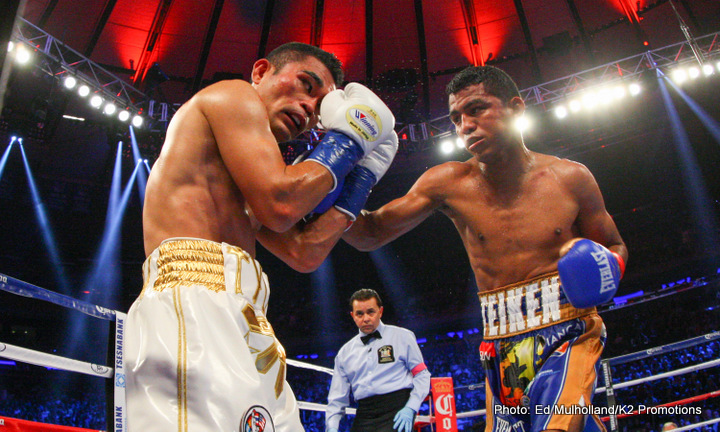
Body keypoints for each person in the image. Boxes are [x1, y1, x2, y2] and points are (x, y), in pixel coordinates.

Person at [337, 66, 629, 432]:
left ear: (516, 108)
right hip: (499, 342)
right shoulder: (448, 182)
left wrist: (605, 268)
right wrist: (336, 183)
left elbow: (614, 245)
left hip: (568, 329)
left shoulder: (570, 178)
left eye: (477, 109)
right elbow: (370, 233)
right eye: (457, 118)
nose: (464, 126)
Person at [125, 42, 398, 432]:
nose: (309, 109)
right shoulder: (233, 95)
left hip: (246, 313)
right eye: (305, 85)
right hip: (192, 299)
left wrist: (363, 176)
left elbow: (305, 252)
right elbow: (281, 205)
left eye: (320, 107)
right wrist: (350, 141)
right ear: (260, 72)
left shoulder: (246, 177)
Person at [326, 289, 431, 432]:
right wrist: (331, 427)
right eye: (360, 314)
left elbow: (422, 374)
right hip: (364, 414)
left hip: (397, 409)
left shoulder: (403, 337)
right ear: (353, 316)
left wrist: (411, 407)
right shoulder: (344, 353)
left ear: (380, 312)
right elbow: (337, 397)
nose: (366, 318)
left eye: (371, 312)